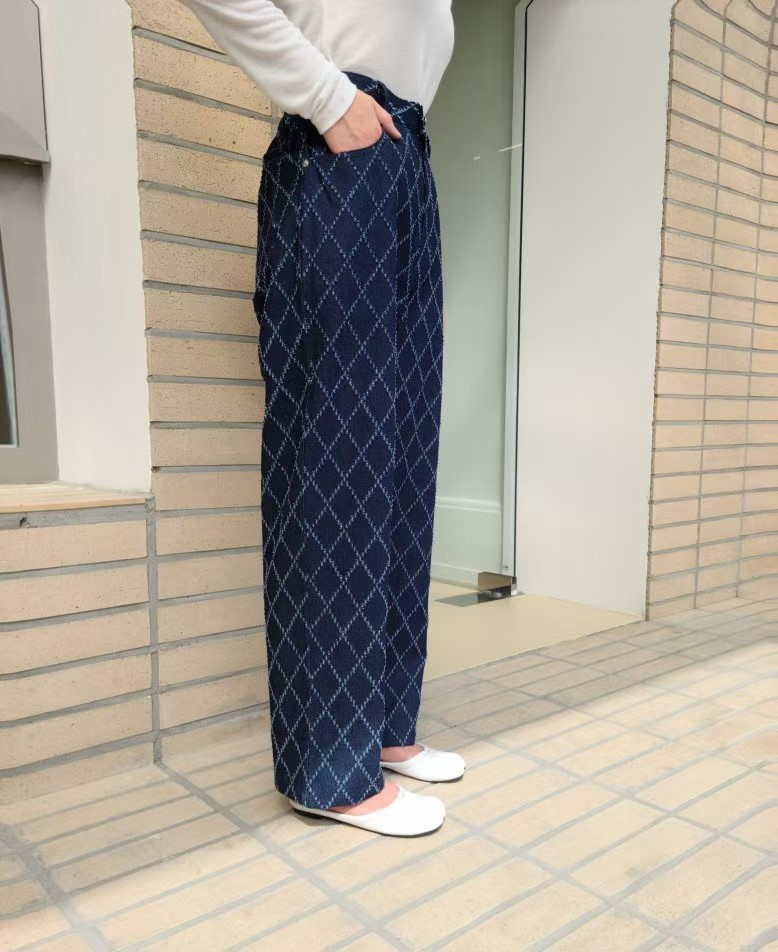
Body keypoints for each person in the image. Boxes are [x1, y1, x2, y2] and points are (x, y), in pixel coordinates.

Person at [179, 0, 460, 837]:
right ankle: (327, 769)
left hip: (404, 168)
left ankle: (384, 726)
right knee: (338, 467)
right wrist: (329, 99)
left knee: (404, 460)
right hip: (340, 162)